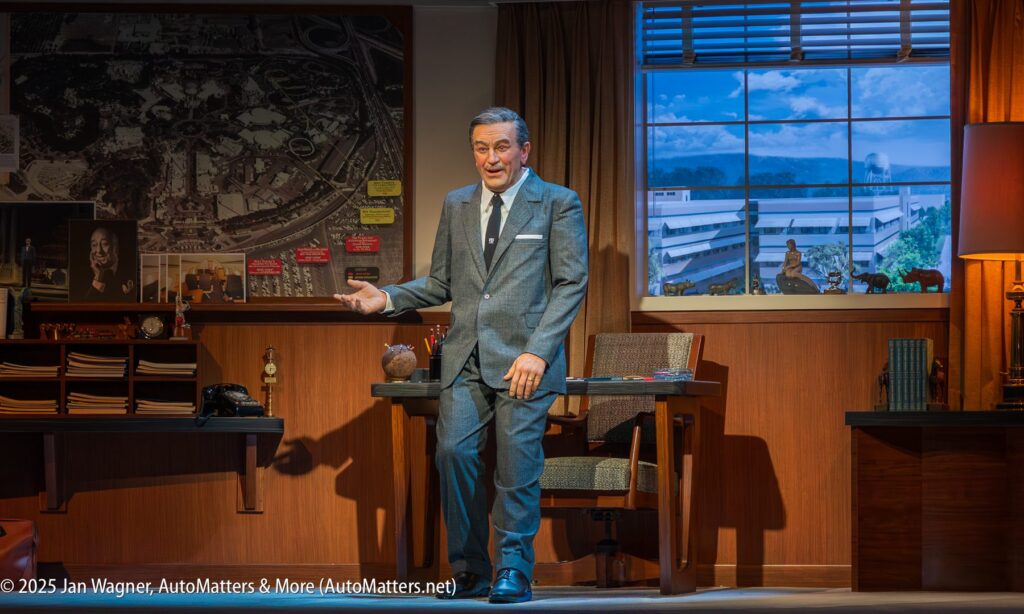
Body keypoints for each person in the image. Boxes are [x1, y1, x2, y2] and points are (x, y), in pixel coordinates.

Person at [334, 107, 588, 604]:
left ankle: (513, 569)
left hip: (523, 362)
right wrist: (385, 298)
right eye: (481, 148)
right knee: (453, 455)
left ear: (523, 150)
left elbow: (570, 282)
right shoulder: (457, 204)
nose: (490, 158)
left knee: (516, 464)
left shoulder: (557, 203)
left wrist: (538, 351)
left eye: (501, 147)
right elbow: (441, 283)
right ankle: (470, 569)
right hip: (465, 358)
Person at [84, 226, 135, 300]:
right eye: (94, 245)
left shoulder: (130, 270)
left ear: (115, 247)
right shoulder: (82, 274)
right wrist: (98, 278)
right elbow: (86, 307)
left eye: (104, 244)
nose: (98, 250)